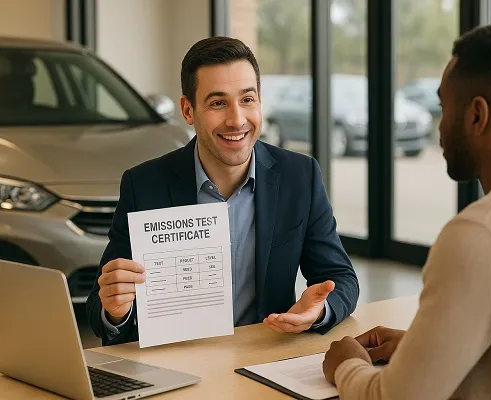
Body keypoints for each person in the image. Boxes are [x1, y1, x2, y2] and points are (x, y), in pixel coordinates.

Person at [322, 23, 491, 399]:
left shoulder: (481, 232)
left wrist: (345, 363)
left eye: (443, 106)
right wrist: (428, 348)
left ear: (476, 115)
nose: (439, 126)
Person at [86, 36, 359, 346]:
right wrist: (116, 311)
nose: (237, 120)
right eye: (218, 103)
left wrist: (317, 310)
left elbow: (342, 278)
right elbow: (101, 308)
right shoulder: (144, 185)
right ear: (188, 111)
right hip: (177, 361)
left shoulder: (300, 176)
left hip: (263, 354)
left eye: (247, 99)